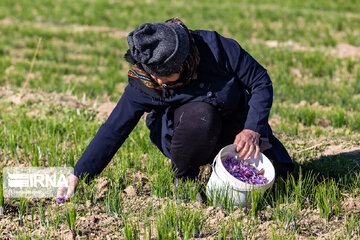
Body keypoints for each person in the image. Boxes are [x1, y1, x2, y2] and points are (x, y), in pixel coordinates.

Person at [57, 18, 294, 201]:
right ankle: (184, 177)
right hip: (189, 133)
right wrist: (79, 173)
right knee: (202, 116)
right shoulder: (145, 81)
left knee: (282, 178)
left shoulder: (215, 48)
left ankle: (221, 167)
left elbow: (260, 82)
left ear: (183, 62)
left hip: (236, 125)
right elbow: (114, 128)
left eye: (165, 75)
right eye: (154, 74)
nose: (158, 81)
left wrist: (252, 129)